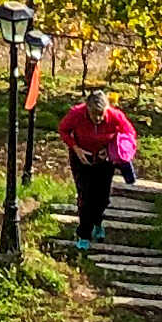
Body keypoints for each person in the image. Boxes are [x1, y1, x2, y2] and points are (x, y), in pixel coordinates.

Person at [55, 87, 138, 248]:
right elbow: (63, 130)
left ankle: (98, 222)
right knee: (85, 196)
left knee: (102, 197)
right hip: (82, 158)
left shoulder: (115, 116)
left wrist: (109, 150)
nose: (98, 119)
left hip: (104, 161)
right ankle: (84, 234)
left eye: (101, 114)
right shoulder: (76, 114)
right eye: (94, 115)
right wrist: (75, 148)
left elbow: (130, 133)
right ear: (87, 109)